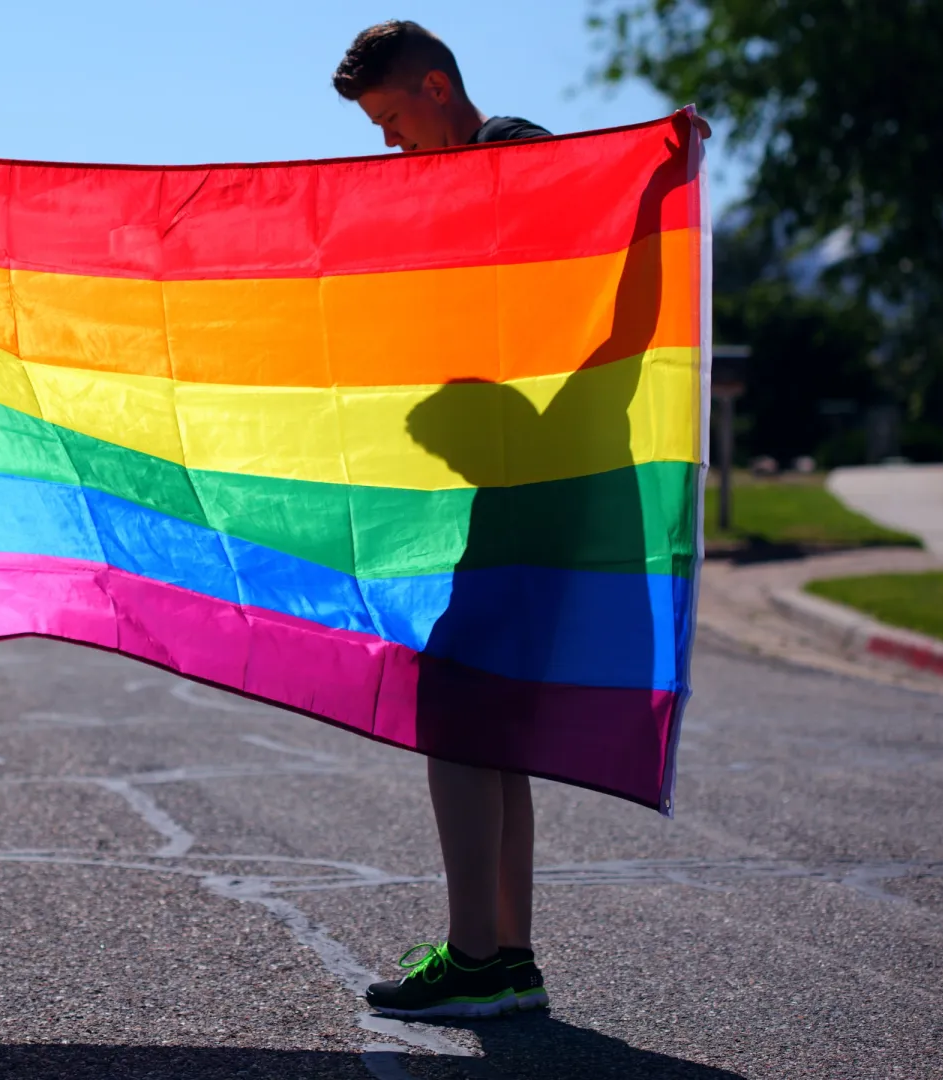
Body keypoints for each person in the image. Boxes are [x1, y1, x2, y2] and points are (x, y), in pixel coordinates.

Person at [330, 20, 554, 1021]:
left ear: (433, 86)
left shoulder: (507, 158)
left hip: (530, 482)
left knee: (457, 713)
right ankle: (508, 959)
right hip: (514, 483)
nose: (388, 145)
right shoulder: (476, 174)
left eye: (391, 120)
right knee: (491, 724)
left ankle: (474, 958)